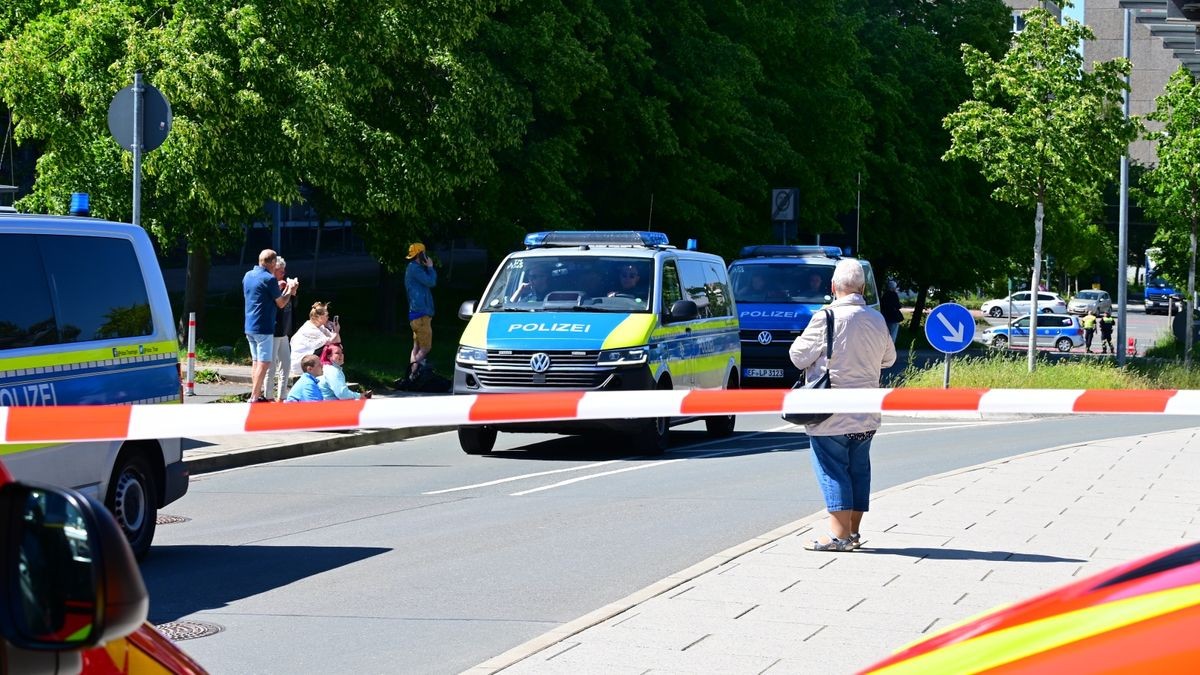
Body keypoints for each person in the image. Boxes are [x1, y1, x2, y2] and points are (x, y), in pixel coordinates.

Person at [788, 258, 897, 552]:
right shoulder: (876, 319)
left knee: (833, 469)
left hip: (830, 414)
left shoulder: (826, 318)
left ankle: (838, 535)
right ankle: (853, 533)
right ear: (862, 288)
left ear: (834, 287)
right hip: (867, 412)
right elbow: (889, 360)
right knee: (858, 471)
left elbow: (798, 357)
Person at [243, 249, 298, 402]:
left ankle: (255, 394)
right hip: (264, 326)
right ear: (273, 263)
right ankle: (254, 395)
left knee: (256, 361)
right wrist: (290, 291)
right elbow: (281, 303)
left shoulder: (248, 275)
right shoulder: (269, 279)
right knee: (266, 361)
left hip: (249, 325)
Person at [404, 242, 437, 381]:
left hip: (415, 314)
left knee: (416, 347)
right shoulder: (416, 269)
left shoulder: (412, 268)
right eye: (424, 253)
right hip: (421, 314)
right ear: (420, 254)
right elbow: (431, 282)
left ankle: (412, 374)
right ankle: (412, 372)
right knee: (426, 348)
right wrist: (430, 268)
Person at [266, 256, 296, 401]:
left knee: (286, 364)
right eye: (280, 271)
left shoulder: (282, 286)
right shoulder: (271, 285)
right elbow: (278, 304)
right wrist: (285, 290)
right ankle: (268, 396)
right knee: (271, 366)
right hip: (273, 330)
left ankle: (282, 396)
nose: (283, 274)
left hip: (284, 330)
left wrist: (292, 291)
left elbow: (291, 305)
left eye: (284, 271)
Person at [289, 302, 340, 377]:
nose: (328, 317)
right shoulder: (310, 329)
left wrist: (334, 330)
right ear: (319, 317)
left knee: (335, 348)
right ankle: (328, 371)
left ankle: (331, 370)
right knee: (328, 348)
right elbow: (330, 341)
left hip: (310, 358)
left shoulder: (320, 327)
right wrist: (336, 332)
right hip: (301, 364)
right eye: (326, 316)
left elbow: (337, 341)